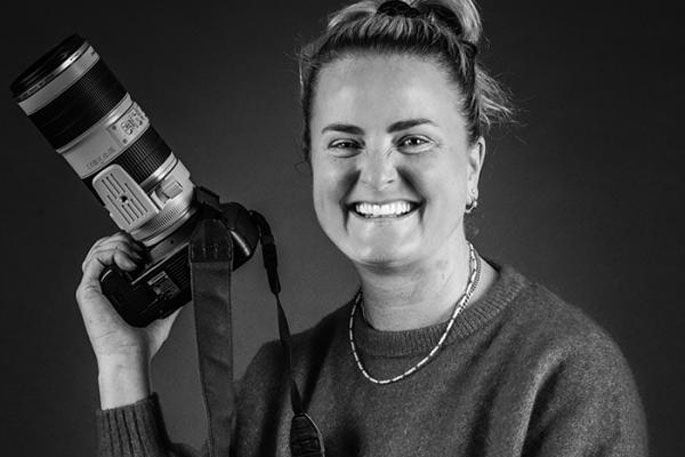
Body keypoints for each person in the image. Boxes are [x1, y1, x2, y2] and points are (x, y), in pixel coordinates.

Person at [77, 0, 648, 455]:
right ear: (313, 162)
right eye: (345, 143)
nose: (375, 175)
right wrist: (123, 360)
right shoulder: (277, 383)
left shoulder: (564, 375)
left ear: (472, 165)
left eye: (413, 140)